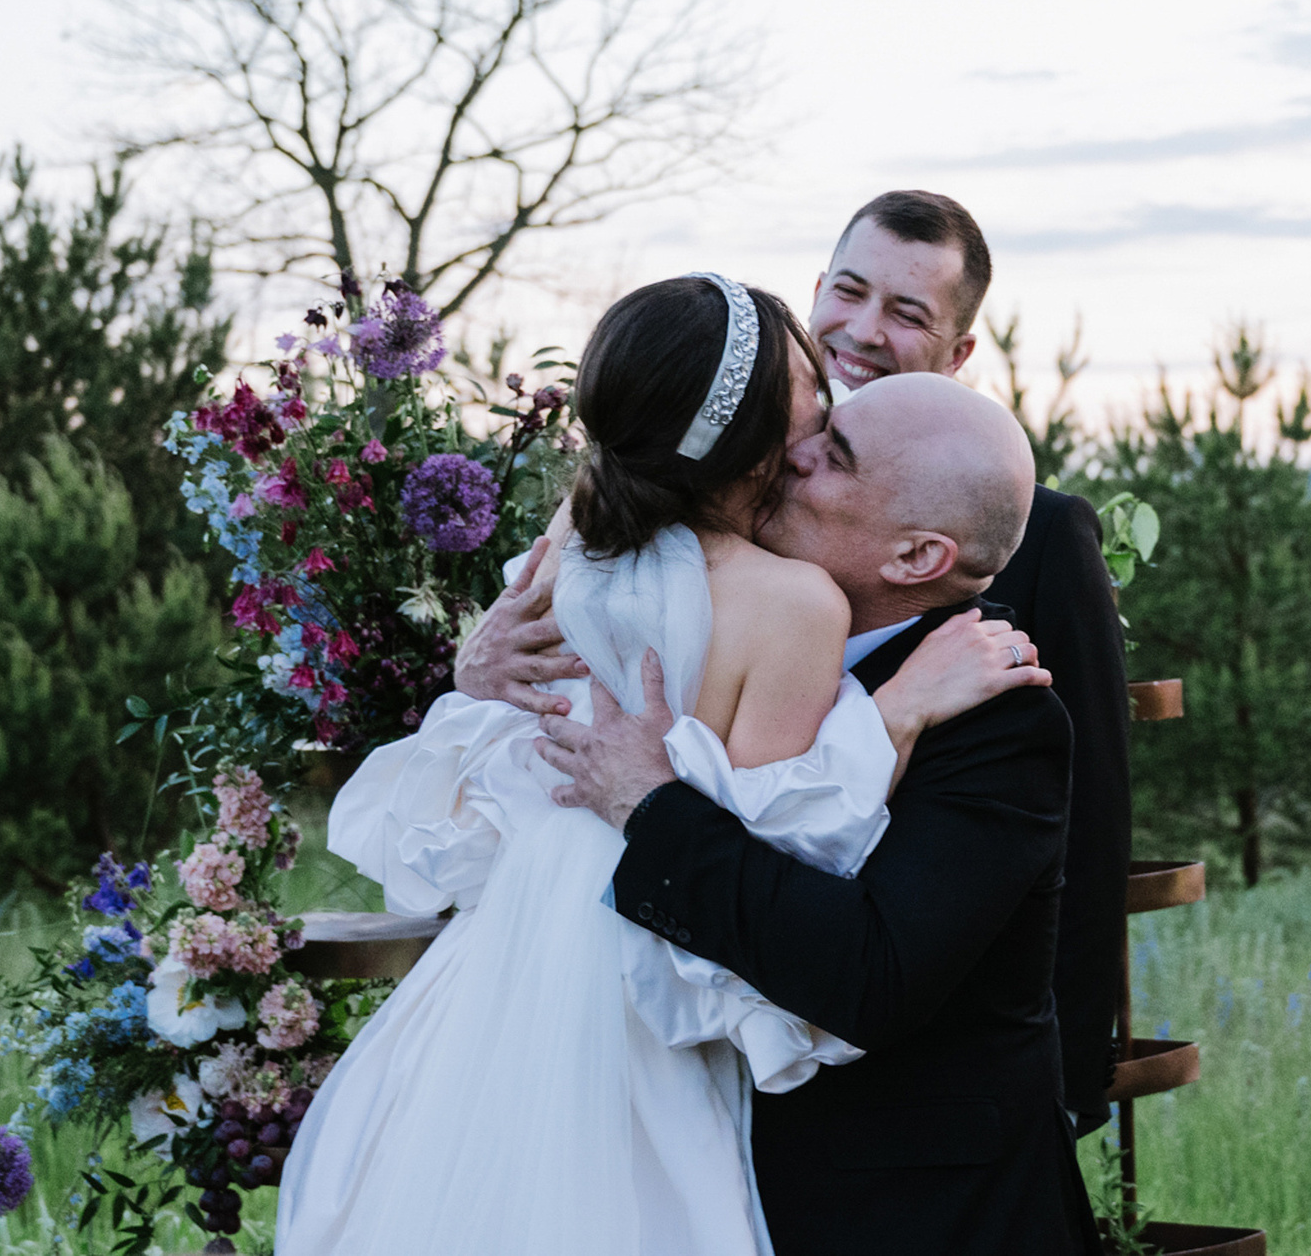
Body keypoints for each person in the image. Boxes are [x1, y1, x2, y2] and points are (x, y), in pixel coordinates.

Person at [274, 275, 1046, 1256]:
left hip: (522, 930)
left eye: (835, 445)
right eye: (818, 406)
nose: (816, 432)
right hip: (641, 958)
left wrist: (484, 687)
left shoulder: (580, 530)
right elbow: (787, 834)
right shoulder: (793, 602)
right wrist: (887, 717)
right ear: (753, 439)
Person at [465, 190, 1134, 1133]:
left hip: (893, 1085)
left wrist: (1072, 1080)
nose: (862, 331)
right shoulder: (703, 488)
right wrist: (477, 662)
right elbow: (555, 646)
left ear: (958, 351)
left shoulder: (1035, 531)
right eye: (849, 293)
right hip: (654, 986)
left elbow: (1087, 810)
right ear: (817, 290)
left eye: (907, 313)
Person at [537, 371, 1104, 1256]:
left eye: (832, 456)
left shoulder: (997, 719)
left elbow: (866, 974)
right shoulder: (716, 621)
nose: (790, 453)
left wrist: (650, 805)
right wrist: (481, 667)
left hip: (914, 1215)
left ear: (917, 558)